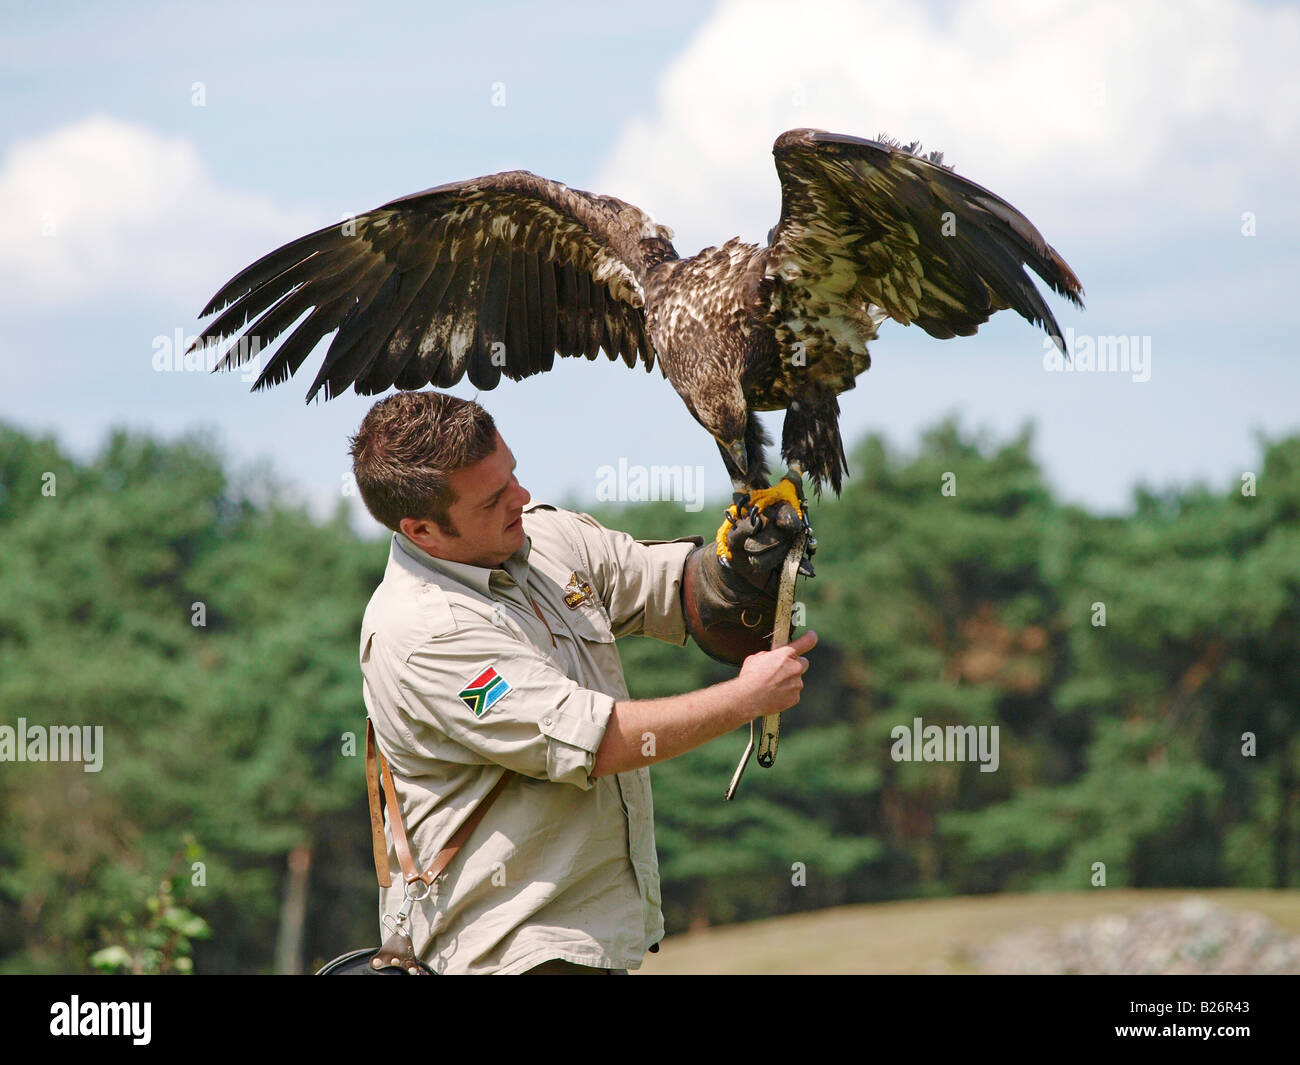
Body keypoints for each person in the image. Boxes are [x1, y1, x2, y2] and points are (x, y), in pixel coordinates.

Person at [349, 389, 817, 974]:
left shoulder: (541, 539)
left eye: (513, 475)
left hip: (594, 945)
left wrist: (739, 563)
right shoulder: (425, 634)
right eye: (494, 499)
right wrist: (747, 699)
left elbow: (674, 589)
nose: (520, 497)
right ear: (421, 530)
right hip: (509, 952)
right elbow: (598, 742)